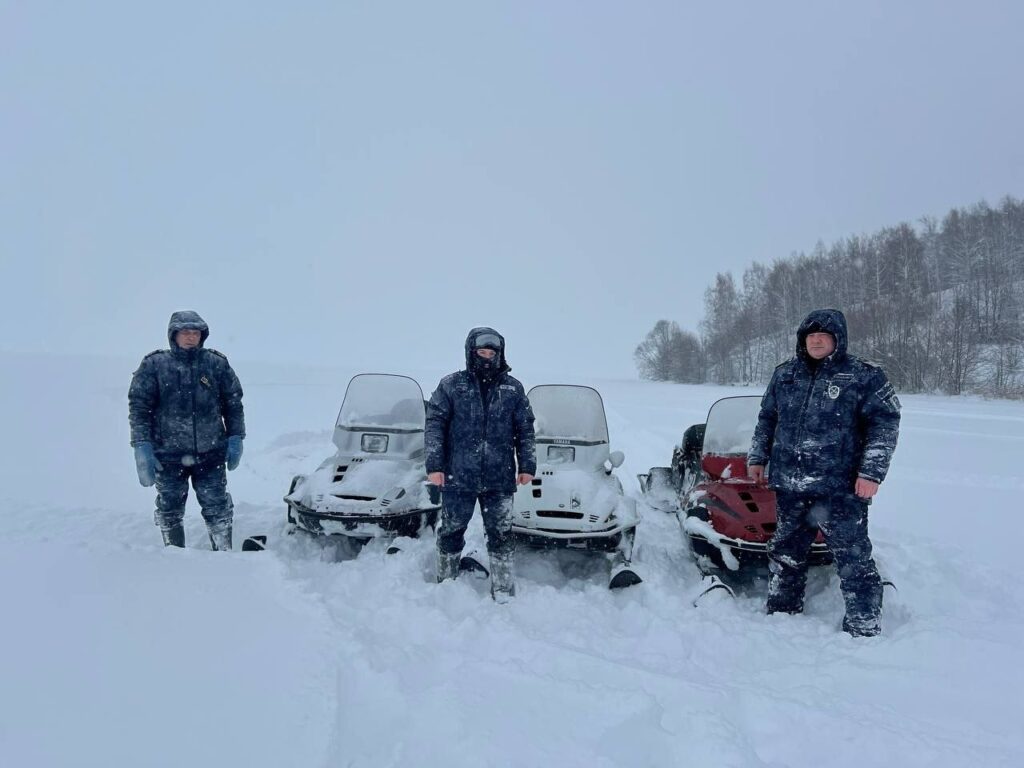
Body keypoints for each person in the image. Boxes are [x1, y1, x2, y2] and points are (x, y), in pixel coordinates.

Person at [748, 308, 900, 636]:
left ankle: (863, 624)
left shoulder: (864, 376)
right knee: (786, 551)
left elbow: (884, 424)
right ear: (802, 340)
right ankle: (782, 612)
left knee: (852, 559)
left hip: (840, 488)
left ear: (838, 339)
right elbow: (767, 418)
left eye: (823, 335)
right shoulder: (785, 375)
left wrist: (871, 472)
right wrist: (758, 457)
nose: (816, 341)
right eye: (810, 335)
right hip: (791, 483)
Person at [425, 327, 536, 602]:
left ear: (500, 354)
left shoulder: (513, 388)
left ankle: (503, 587)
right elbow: (435, 425)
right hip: (458, 475)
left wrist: (527, 465)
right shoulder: (451, 385)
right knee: (451, 530)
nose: (487, 357)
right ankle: (446, 581)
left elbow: (525, 429)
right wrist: (434, 465)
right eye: (481, 352)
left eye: (491, 353)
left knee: (501, 533)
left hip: (499, 477)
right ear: (471, 353)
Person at [128, 310, 245, 550]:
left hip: (210, 453)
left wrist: (236, 437)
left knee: (217, 506)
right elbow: (139, 407)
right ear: (174, 335)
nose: (191, 337)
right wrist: (142, 445)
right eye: (185, 332)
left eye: (195, 332)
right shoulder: (154, 365)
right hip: (168, 456)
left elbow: (233, 403)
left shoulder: (216, 364)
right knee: (169, 507)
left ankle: (223, 553)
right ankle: (174, 555)